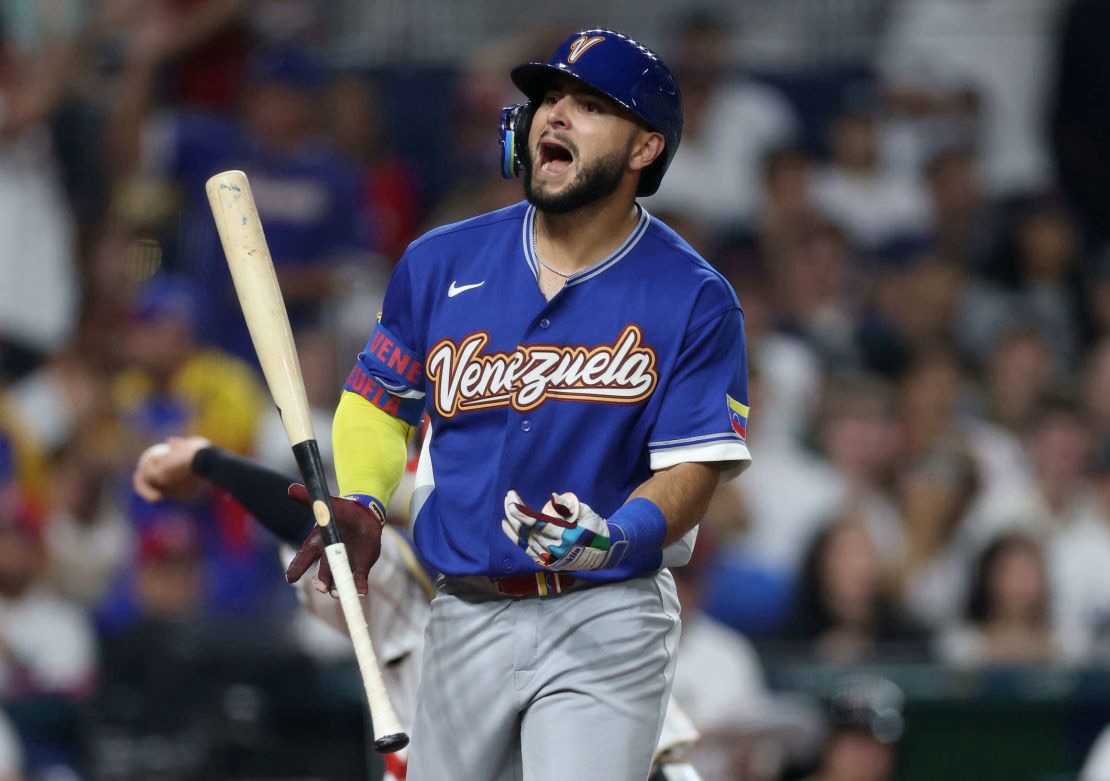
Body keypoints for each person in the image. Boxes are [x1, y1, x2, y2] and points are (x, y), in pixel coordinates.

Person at [217, 28, 746, 781]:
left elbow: (696, 467)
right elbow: (377, 400)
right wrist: (366, 495)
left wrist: (616, 533)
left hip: (606, 607)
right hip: (462, 608)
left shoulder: (694, 295)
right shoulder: (440, 260)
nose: (554, 117)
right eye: (547, 100)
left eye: (589, 105)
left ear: (644, 149)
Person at [132, 434, 705, 781]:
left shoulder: (589, 619)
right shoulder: (393, 580)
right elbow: (314, 527)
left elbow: (670, 766)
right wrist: (212, 463)